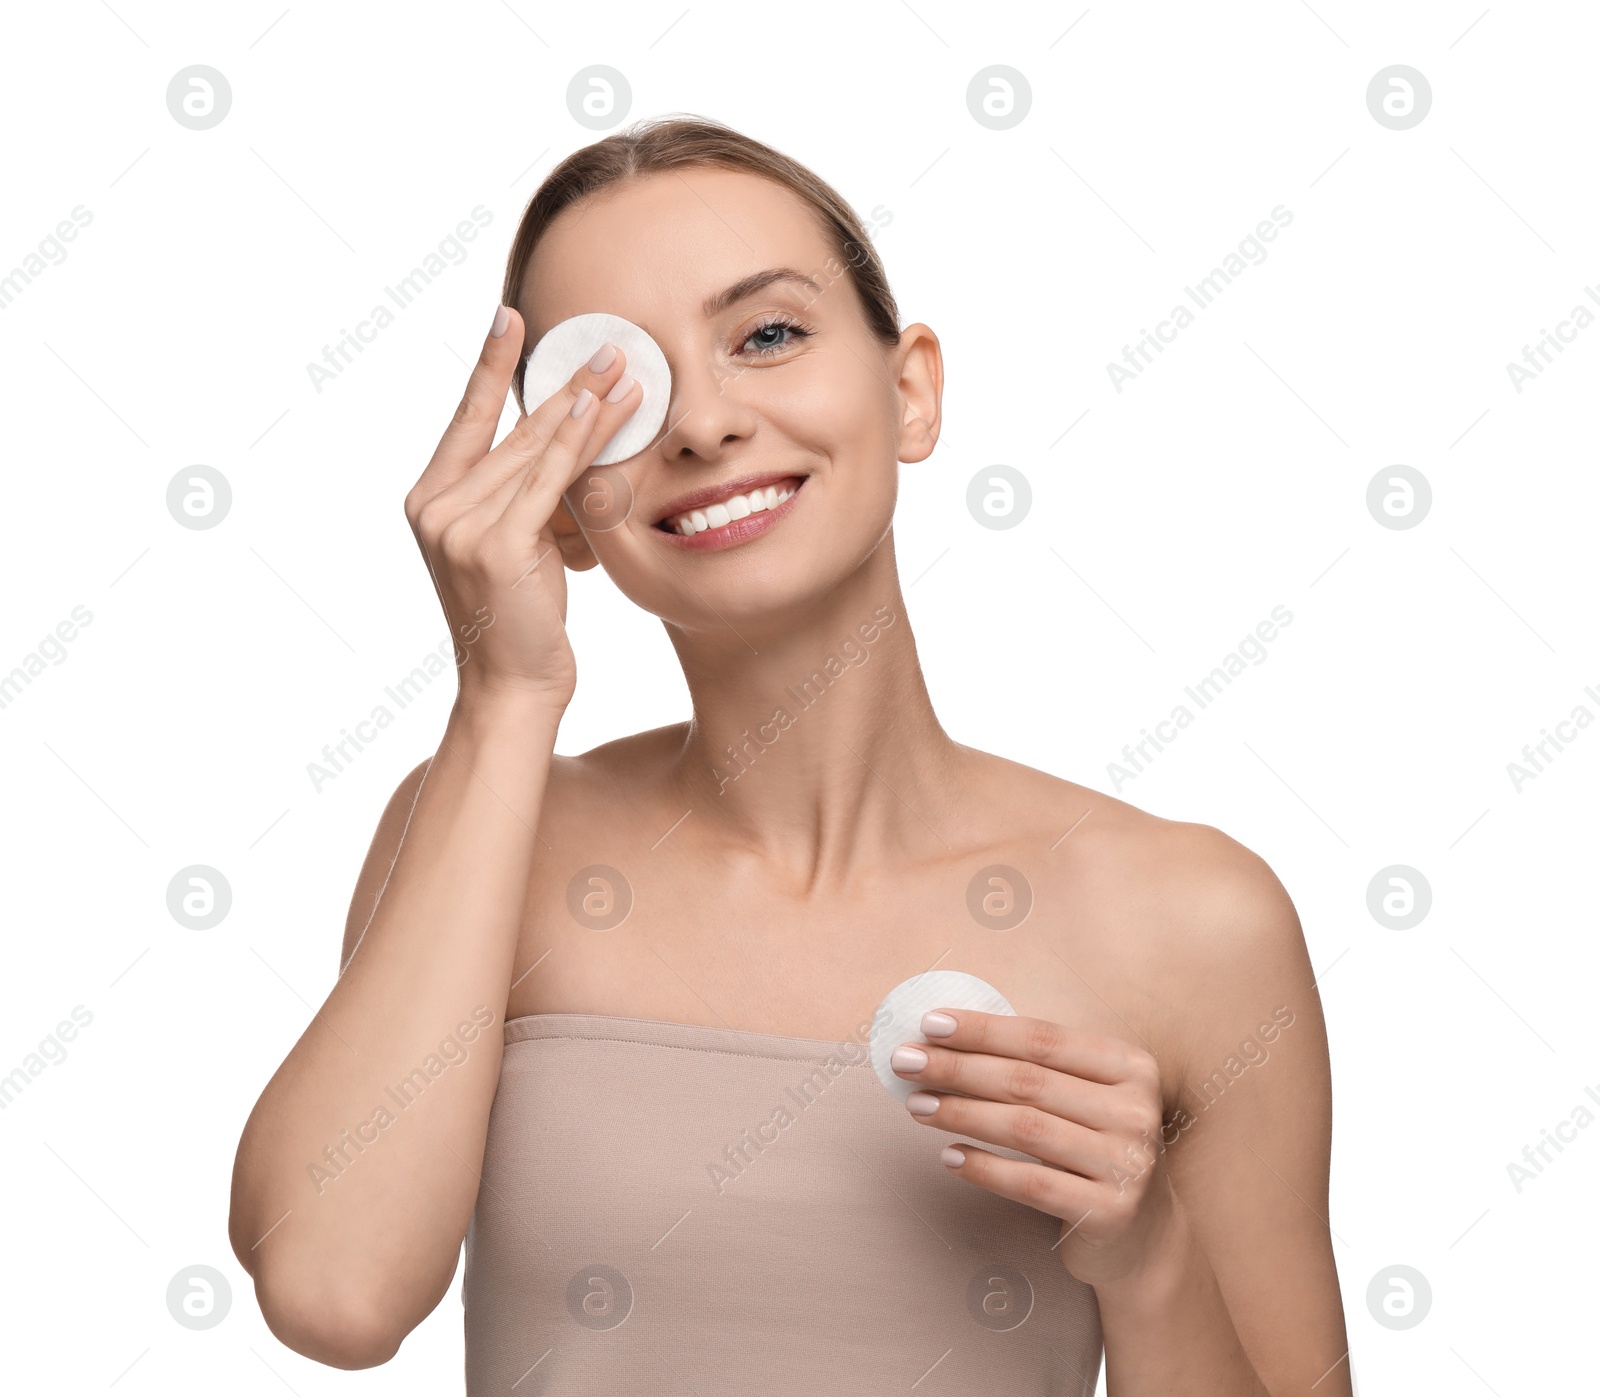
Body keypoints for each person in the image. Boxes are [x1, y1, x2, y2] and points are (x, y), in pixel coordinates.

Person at [229, 115, 1350, 1395]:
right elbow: (332, 1292)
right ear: (563, 503)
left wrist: (1148, 1258)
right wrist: (502, 691)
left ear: (910, 387)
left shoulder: (1191, 918)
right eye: (614, 391)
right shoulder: (488, 828)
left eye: (766, 334)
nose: (701, 424)